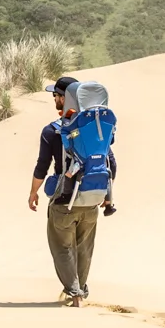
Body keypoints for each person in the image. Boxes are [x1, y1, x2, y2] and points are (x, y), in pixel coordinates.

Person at [28, 75, 117, 307]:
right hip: (92, 200)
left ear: (65, 99)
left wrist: (33, 192)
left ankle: (74, 294)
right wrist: (106, 196)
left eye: (56, 95)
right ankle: (81, 290)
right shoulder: (96, 128)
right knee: (84, 249)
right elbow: (111, 164)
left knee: (62, 248)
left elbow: (42, 165)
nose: (54, 99)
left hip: (64, 202)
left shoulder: (52, 131)